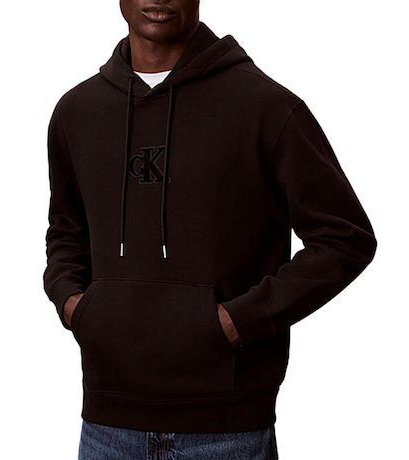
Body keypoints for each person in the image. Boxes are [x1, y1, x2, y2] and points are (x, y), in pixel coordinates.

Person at [43, 1, 377, 458]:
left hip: (227, 432)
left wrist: (239, 320)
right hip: (106, 427)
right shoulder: (76, 112)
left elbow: (345, 239)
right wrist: (73, 303)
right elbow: (66, 229)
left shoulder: (266, 107)